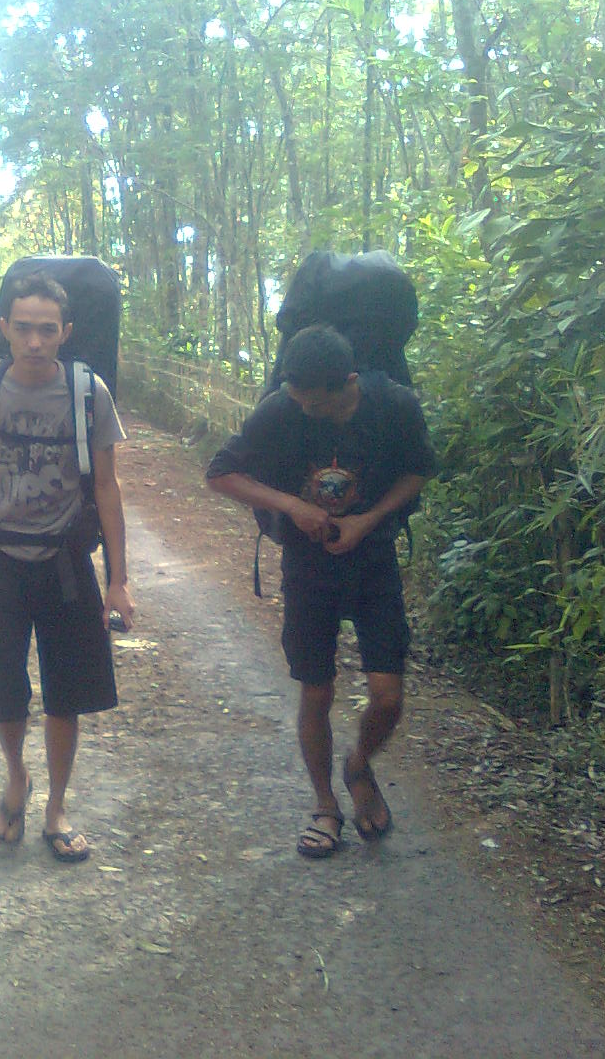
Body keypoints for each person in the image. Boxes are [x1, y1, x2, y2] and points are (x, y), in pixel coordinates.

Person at [206, 325, 435, 859]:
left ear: (347, 383)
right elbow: (220, 474)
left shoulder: (393, 406)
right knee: (316, 690)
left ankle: (358, 764)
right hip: (308, 568)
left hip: (373, 559)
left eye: (312, 400)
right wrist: (294, 508)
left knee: (388, 694)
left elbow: (420, 471)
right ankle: (325, 805)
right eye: (294, 394)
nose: (300, 405)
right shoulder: (281, 408)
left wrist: (369, 519)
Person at [0, 273, 136, 862]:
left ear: (66, 332)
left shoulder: (89, 393)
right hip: (1, 560)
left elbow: (107, 486)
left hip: (68, 563)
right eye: (23, 328)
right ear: (5, 329)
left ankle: (56, 807)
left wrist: (118, 580)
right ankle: (16, 776)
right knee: (2, 687)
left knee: (65, 693)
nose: (35, 341)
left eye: (48, 330)